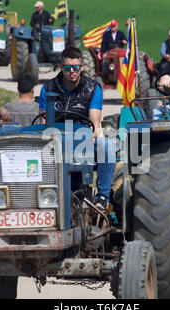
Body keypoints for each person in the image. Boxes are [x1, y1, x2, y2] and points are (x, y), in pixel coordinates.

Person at [39, 47, 115, 210]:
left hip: (82, 140)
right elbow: (43, 122)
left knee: (107, 146)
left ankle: (102, 197)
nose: (71, 71)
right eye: (67, 67)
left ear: (82, 67)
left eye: (75, 67)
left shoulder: (92, 89)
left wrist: (82, 140)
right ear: (61, 67)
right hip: (54, 141)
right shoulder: (48, 87)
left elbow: (94, 125)